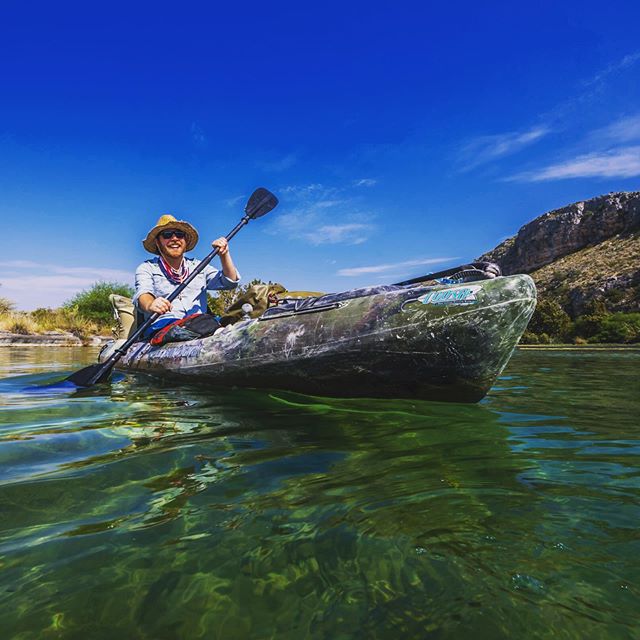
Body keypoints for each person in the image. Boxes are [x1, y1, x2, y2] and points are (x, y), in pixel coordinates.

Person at [133, 214, 240, 341]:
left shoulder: (200, 266)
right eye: (167, 234)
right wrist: (151, 304)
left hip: (203, 323)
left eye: (179, 234)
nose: (174, 238)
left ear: (185, 240)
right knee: (203, 323)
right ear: (157, 242)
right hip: (164, 327)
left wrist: (224, 255)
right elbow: (143, 294)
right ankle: (222, 335)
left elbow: (230, 282)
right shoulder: (147, 268)